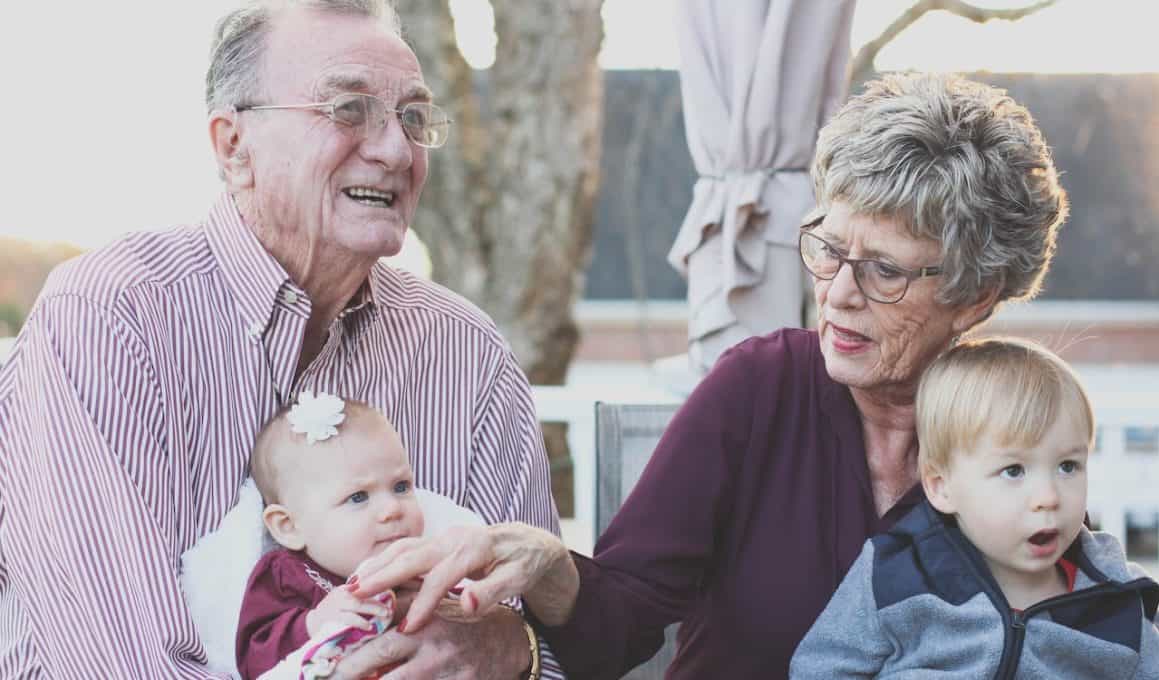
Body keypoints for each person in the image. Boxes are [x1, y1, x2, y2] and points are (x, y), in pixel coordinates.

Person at [348, 72, 1075, 678]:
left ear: (975, 295)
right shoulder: (760, 389)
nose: (838, 291)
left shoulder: (1019, 428)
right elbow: (618, 626)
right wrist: (549, 566)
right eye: (827, 246)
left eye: (883, 270)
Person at [0, 1, 561, 677]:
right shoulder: (112, 318)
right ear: (234, 147)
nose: (393, 149)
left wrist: (510, 650)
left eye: (413, 117)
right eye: (349, 108)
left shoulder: (466, 352)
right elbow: (117, 664)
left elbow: (541, 638)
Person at [790, 338, 1159, 678]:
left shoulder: (1117, 599)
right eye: (1013, 471)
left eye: (1068, 466)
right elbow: (819, 669)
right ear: (941, 487)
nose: (1049, 496)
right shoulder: (897, 573)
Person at [236, 394, 423, 679]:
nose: (392, 509)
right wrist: (313, 623)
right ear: (289, 526)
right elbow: (253, 657)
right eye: (358, 496)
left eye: (401, 486)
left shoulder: (425, 566)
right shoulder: (288, 575)